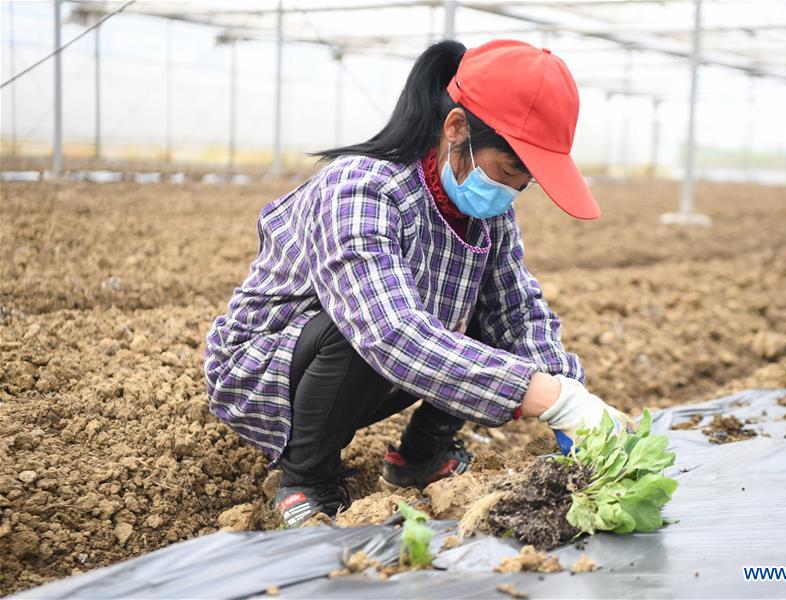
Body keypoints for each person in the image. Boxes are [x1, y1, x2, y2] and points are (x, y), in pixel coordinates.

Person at [204, 39, 636, 528]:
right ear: (457, 128)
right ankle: (306, 480)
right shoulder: (359, 188)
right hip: (272, 373)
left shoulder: (487, 215)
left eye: (526, 181)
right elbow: (388, 332)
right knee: (360, 324)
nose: (513, 191)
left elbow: (518, 311)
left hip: (377, 370)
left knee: (481, 314)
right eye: (510, 169)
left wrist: (571, 393)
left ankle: (420, 457)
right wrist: (543, 395)